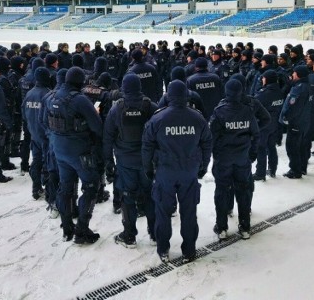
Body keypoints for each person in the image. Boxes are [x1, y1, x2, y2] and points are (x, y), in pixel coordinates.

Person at [142, 80, 212, 263]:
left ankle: (163, 249)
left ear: (169, 96)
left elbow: (147, 146)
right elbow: (207, 143)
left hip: (165, 172)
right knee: (189, 213)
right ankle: (189, 250)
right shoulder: (198, 118)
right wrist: (203, 166)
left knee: (163, 212)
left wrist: (148, 168)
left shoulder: (157, 118)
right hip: (189, 171)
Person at [43, 67, 103, 244]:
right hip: (80, 151)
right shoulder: (80, 100)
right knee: (92, 186)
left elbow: (44, 122)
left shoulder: (50, 97)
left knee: (65, 187)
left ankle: (67, 227)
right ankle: (82, 229)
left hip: (59, 150)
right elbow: (97, 127)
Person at [103, 73, 158, 248]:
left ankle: (129, 236)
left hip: (125, 162)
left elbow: (108, 137)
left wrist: (108, 161)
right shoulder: (150, 107)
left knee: (127, 197)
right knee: (150, 196)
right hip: (146, 161)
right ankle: (155, 234)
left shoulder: (117, 108)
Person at [209, 79, 260, 240]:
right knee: (243, 191)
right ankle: (245, 227)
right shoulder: (248, 110)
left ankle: (222, 227)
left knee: (222, 192)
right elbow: (256, 134)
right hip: (242, 158)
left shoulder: (219, 111)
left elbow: (212, 137)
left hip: (224, 159)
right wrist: (252, 153)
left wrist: (215, 154)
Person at [22, 67, 52, 199]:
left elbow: (24, 113)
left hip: (33, 133)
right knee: (47, 163)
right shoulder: (48, 94)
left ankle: (36, 188)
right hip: (45, 135)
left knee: (36, 161)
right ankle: (49, 191)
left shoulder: (29, 93)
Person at [279, 65, 311, 179]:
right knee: (302, 145)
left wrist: (286, 117)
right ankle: (302, 167)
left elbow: (293, 106)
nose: (292, 75)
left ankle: (295, 170)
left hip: (296, 122)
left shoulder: (299, 87)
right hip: (305, 121)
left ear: (298, 74)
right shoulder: (308, 85)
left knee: (292, 147)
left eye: (294, 73)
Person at [254, 70, 285, 180]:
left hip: (263, 124)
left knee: (261, 148)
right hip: (275, 123)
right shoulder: (279, 91)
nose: (262, 80)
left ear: (267, 79)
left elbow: (255, 107)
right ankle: (272, 169)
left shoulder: (264, 93)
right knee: (271, 147)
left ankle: (260, 173)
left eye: (263, 78)